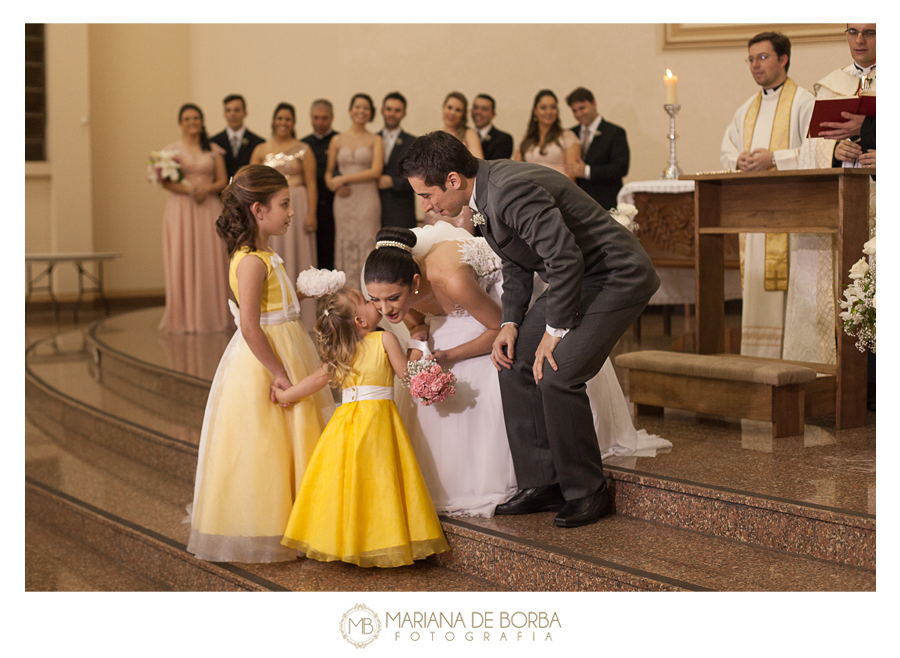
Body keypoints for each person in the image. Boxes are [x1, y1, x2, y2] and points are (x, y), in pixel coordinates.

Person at [399, 131, 660, 528]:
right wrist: (509, 323)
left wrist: (554, 332)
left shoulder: (509, 190)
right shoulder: (482, 194)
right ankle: (543, 482)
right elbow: (516, 262)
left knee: (557, 373)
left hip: (615, 276)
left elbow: (564, 258)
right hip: (578, 276)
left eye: (426, 194)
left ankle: (587, 490)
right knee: (514, 357)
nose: (426, 205)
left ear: (452, 180)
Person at [364, 224, 671, 518]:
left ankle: (533, 475)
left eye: (393, 299)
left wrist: (447, 355)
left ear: (415, 283)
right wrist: (419, 338)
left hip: (501, 307)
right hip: (468, 309)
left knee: (497, 372)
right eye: (375, 301)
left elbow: (500, 328)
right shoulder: (397, 293)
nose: (385, 309)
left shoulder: (452, 281)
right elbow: (416, 320)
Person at [186, 165, 334, 563]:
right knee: (268, 441)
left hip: (286, 343)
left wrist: (308, 291)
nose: (290, 212)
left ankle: (301, 516)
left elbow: (276, 306)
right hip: (267, 357)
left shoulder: (266, 254)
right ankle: (274, 521)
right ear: (257, 209)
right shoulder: (251, 260)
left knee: (295, 437)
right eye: (284, 205)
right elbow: (251, 325)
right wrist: (280, 372)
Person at [278, 287, 450, 568]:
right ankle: (381, 540)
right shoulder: (385, 338)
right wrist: (418, 346)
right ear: (360, 322)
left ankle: (348, 541)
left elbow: (315, 380)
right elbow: (407, 376)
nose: (374, 302)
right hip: (379, 423)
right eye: (367, 301)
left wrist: (286, 396)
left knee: (347, 484)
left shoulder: (341, 350)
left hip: (344, 425)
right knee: (380, 482)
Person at [719, 31, 816, 360]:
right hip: (756, 217)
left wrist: (774, 158)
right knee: (759, 293)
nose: (755, 65)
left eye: (762, 57)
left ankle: (790, 363)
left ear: (783, 59)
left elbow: (816, 152)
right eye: (751, 59)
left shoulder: (804, 101)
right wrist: (739, 160)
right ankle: (757, 366)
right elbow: (727, 150)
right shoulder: (746, 109)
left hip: (792, 216)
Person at [794, 24, 876, 406]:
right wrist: (834, 150)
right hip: (846, 199)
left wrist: (877, 134)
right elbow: (806, 148)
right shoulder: (829, 86)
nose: (859, 41)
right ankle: (848, 387)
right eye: (852, 31)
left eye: (871, 32)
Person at [158, 103, 232, 334]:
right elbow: (165, 181)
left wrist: (206, 189)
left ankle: (214, 316)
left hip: (209, 207)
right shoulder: (171, 151)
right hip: (181, 209)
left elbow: (223, 180)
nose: (192, 122)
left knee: (212, 258)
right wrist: (189, 190)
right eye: (187, 119)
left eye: (196, 118)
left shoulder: (213, 149)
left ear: (202, 121)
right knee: (183, 256)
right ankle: (186, 317)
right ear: (181, 123)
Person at [250, 102, 318, 325]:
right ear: (273, 121)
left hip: (296, 203)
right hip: (269, 207)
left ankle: (302, 313)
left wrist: (312, 215)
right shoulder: (260, 149)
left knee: (298, 255)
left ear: (294, 122)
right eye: (279, 118)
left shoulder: (304, 149)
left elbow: (311, 183)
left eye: (287, 119)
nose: (283, 122)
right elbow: (251, 183)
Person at [325, 93, 384, 289]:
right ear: (350, 110)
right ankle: (346, 295)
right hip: (344, 200)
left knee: (367, 240)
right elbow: (328, 173)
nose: (361, 111)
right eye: (358, 107)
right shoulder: (337, 139)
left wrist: (344, 178)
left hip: (367, 197)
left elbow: (376, 171)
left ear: (371, 113)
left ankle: (369, 292)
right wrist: (334, 184)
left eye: (366, 108)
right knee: (345, 241)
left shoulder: (375, 139)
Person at [565, 86, 630, 211]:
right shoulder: (571, 133)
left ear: (594, 104)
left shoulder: (614, 132)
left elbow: (621, 168)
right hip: (578, 203)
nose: (579, 114)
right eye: (574, 111)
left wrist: (587, 171)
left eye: (582, 108)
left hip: (606, 201)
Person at [301, 99, 338, 270]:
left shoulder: (338, 140)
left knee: (332, 250)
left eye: (324, 118)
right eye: (316, 118)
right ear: (310, 118)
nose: (320, 122)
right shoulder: (303, 144)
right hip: (309, 205)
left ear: (332, 118)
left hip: (335, 203)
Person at [514, 89, 580, 181]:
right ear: (535, 111)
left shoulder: (567, 136)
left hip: (559, 190)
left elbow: (572, 175)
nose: (549, 112)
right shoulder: (527, 139)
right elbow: (515, 171)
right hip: (530, 191)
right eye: (543, 107)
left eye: (553, 107)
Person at [377, 92, 417, 229]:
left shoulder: (413, 142)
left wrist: (392, 182)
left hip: (400, 212)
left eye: (397, 110)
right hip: (374, 210)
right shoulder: (371, 139)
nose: (392, 114)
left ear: (404, 113)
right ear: (382, 110)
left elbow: (418, 178)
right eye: (388, 109)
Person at [210, 94, 265, 180]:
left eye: (237, 110)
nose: (232, 114)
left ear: (245, 113)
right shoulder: (214, 142)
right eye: (228, 110)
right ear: (224, 114)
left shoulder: (258, 142)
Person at [471, 94, 514, 160]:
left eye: (484, 109)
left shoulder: (503, 139)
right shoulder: (464, 135)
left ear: (493, 114)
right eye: (476, 108)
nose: (478, 112)